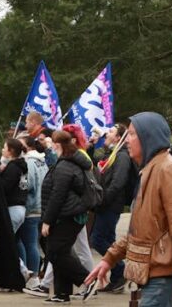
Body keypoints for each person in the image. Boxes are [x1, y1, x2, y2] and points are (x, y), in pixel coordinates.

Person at [85, 112, 172, 307]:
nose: (126, 140)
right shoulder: (151, 169)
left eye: (132, 134)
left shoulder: (168, 169)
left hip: (163, 279)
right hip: (154, 277)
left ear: (149, 137)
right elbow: (141, 230)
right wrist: (109, 259)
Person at [40, 130, 95, 303]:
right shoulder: (71, 162)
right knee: (60, 251)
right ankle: (62, 293)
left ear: (58, 145)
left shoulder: (64, 166)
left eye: (52, 143)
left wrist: (47, 221)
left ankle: (87, 280)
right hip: (71, 214)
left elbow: (58, 195)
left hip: (67, 215)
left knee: (55, 252)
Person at [91, 124, 137, 293]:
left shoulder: (122, 156)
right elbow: (97, 162)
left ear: (118, 138)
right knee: (109, 239)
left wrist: (103, 200)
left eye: (111, 131)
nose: (107, 133)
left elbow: (118, 182)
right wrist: (100, 144)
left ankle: (120, 269)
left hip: (110, 204)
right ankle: (117, 277)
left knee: (97, 239)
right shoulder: (113, 153)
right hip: (106, 202)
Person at [19, 136, 49, 288]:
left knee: (29, 243)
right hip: (41, 206)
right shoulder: (42, 161)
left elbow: (28, 184)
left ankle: (32, 275)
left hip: (30, 208)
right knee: (33, 243)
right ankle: (33, 275)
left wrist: (18, 183)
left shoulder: (29, 162)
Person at [0, 139, 30, 238]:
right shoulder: (21, 166)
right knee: (15, 241)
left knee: (6, 240)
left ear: (11, 151)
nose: (2, 150)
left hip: (12, 208)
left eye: (4, 148)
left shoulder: (13, 167)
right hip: (20, 207)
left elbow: (4, 188)